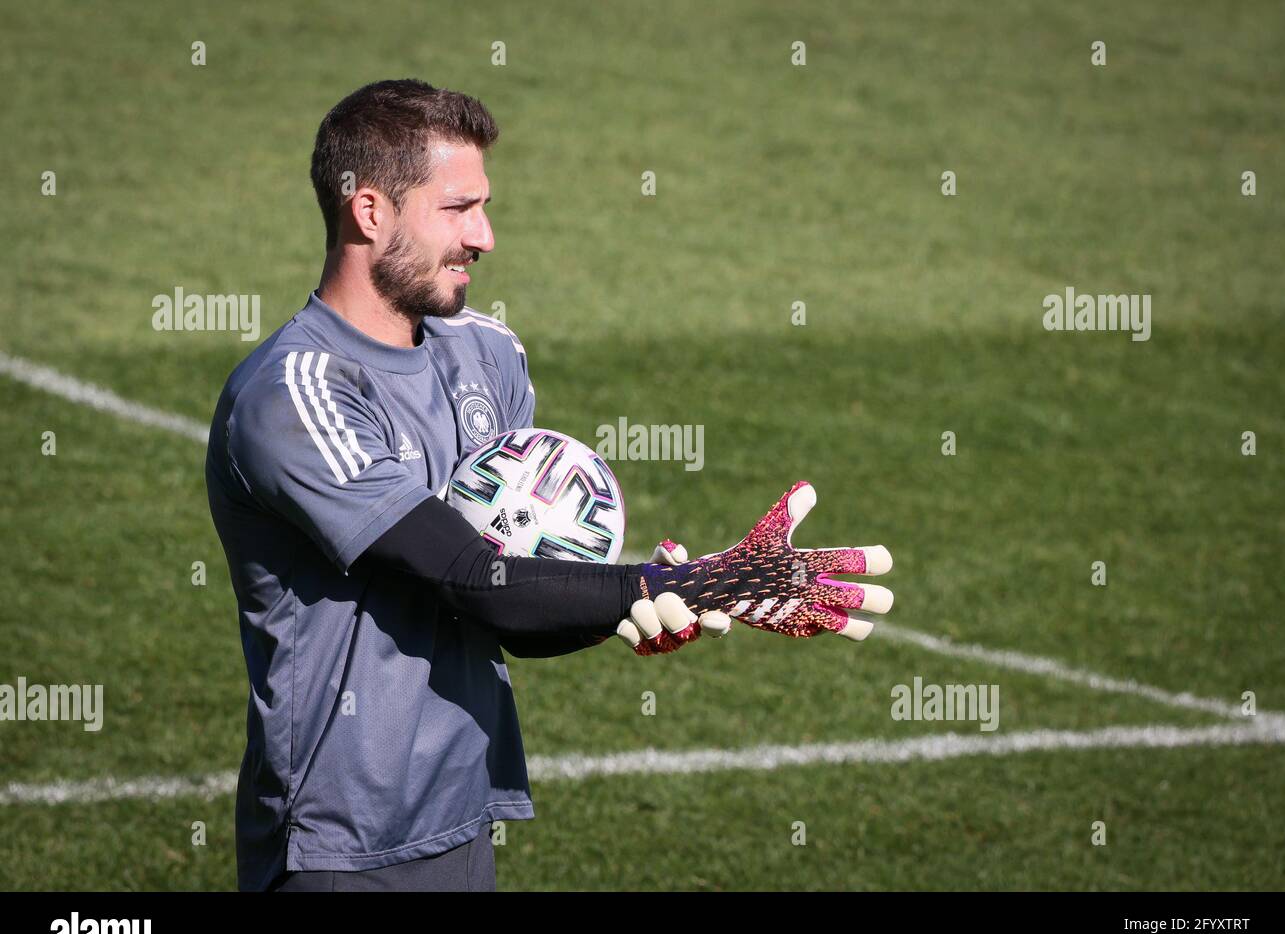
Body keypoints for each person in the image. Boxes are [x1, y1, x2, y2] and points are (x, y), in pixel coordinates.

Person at [205, 79, 893, 892]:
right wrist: (678, 581)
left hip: (460, 810)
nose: (485, 236)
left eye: (484, 206)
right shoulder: (299, 392)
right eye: (457, 209)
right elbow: (469, 574)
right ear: (369, 213)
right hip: (340, 843)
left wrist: (631, 608)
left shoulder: (485, 355)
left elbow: (506, 606)